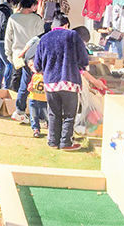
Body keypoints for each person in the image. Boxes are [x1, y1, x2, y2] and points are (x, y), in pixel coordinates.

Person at [34, 14, 89, 151]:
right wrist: (83, 66)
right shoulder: (72, 35)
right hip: (69, 80)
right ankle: (66, 143)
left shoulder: (44, 38)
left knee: (53, 113)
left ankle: (53, 141)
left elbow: (37, 65)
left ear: (53, 27)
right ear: (66, 25)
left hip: (50, 82)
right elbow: (83, 58)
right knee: (69, 114)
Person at [5, 0, 44, 124]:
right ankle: (38, 116)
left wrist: (8, 54)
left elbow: (8, 38)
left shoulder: (13, 18)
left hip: (17, 55)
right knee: (36, 84)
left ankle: (20, 111)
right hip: (32, 55)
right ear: (32, 5)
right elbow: (40, 38)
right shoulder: (37, 19)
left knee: (24, 83)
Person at [0, 0, 22, 90]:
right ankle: (6, 87)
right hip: (1, 40)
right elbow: (5, 27)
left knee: (1, 65)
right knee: (9, 64)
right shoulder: (5, 11)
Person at [26, 58, 47, 139]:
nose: (31, 68)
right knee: (33, 115)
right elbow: (31, 84)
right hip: (33, 98)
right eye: (30, 66)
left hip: (44, 100)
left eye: (32, 65)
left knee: (47, 115)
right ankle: (36, 129)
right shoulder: (34, 76)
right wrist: (30, 87)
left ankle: (51, 129)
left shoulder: (45, 75)